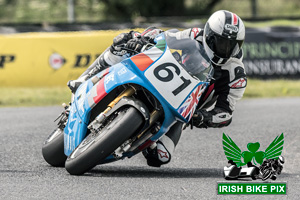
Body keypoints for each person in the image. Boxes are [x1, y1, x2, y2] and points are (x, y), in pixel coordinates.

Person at [67, 10, 247, 167]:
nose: (225, 49)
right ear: (208, 34)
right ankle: (84, 80)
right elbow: (167, 39)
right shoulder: (194, 35)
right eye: (220, 42)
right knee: (123, 41)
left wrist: (204, 117)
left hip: (184, 109)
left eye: (231, 45)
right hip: (164, 76)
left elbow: (226, 113)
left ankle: (136, 140)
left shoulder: (236, 74)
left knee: (160, 157)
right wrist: (144, 40)